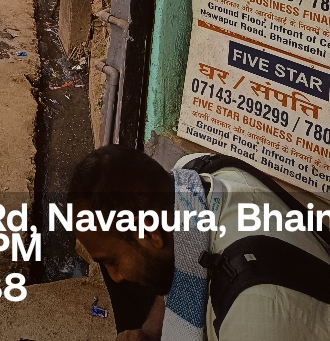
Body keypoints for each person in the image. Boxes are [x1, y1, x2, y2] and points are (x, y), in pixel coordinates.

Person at [68, 145, 330, 340]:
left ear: (149, 232)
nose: (115, 276)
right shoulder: (192, 175)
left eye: (112, 261)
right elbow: (181, 264)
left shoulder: (252, 316)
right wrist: (150, 331)